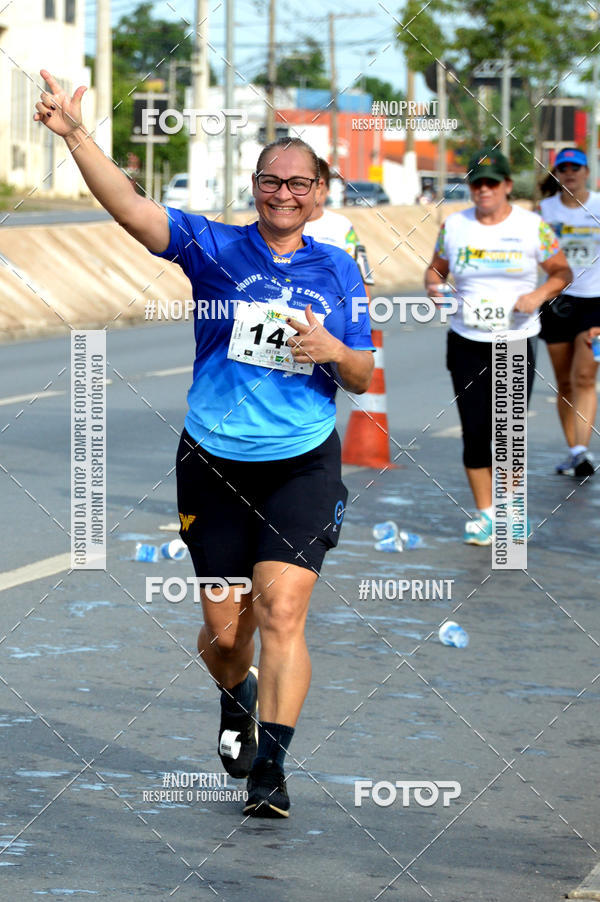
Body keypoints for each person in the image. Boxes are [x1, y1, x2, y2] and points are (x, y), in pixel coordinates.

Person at [35, 70, 374, 817]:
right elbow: (129, 206)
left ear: (320, 193)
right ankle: (237, 694)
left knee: (283, 609)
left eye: (299, 183)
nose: (284, 193)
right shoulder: (213, 249)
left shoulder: (339, 268)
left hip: (303, 459)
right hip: (215, 460)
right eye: (270, 181)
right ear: (255, 187)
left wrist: (329, 349)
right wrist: (76, 135)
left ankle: (272, 773)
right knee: (228, 635)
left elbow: (362, 371)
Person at [424, 146, 571, 545]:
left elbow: (561, 272)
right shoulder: (455, 226)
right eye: (477, 183)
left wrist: (537, 295)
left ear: (507, 185)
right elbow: (435, 272)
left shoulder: (532, 226)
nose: (484, 190)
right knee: (474, 432)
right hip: (467, 340)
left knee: (506, 432)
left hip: (515, 340)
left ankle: (511, 513)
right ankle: (486, 514)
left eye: (492, 183)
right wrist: (438, 292)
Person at [538, 148, 600, 477]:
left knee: (585, 377)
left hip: (596, 303)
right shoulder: (544, 211)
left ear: (587, 172)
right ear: (557, 175)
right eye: (563, 169)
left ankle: (582, 450)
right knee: (564, 382)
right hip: (557, 302)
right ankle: (575, 451)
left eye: (576, 168)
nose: (570, 174)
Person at [303, 157, 374, 288]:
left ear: (326, 188)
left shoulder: (342, 225)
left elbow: (361, 278)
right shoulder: (284, 227)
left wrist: (364, 307)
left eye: (320, 187)